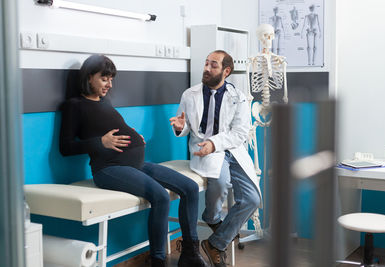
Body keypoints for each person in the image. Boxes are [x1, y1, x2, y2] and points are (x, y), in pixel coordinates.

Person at [59, 54, 209, 267]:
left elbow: (113, 129)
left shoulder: (104, 102)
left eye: (111, 79)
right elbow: (65, 147)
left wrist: (133, 136)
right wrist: (100, 142)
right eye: (104, 79)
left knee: (190, 187)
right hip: (108, 169)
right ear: (89, 76)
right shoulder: (74, 105)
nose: (109, 85)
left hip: (135, 165)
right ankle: (158, 260)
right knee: (160, 197)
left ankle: (190, 254)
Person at [169, 50, 261, 267]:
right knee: (220, 182)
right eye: (206, 63)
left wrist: (215, 143)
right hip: (203, 150)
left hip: (232, 150)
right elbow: (186, 125)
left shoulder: (238, 97)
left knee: (252, 200)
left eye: (213, 65)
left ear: (226, 71)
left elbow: (240, 132)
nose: (206, 69)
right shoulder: (189, 95)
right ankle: (212, 218)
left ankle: (215, 243)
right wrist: (181, 129)